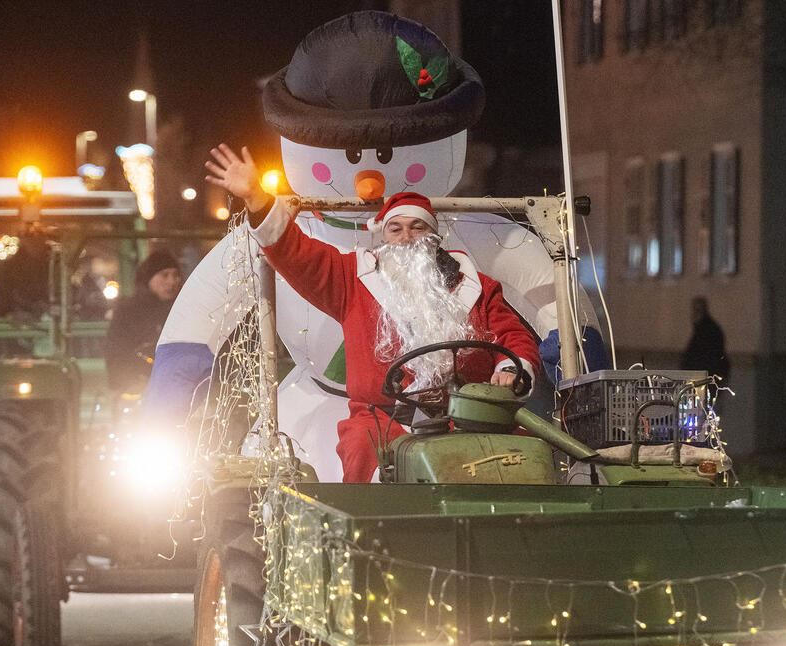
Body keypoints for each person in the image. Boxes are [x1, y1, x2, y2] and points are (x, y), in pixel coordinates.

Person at [207, 144, 541, 482]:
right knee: (365, 451)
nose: (407, 238)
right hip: (384, 419)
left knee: (521, 457)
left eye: (417, 228)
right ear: (382, 238)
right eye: (396, 229)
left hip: (469, 417)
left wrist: (508, 368)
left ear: (435, 236)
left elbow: (514, 337)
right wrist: (257, 197)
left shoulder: (477, 286)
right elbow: (298, 254)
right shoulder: (354, 279)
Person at [105, 251, 182, 394]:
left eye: (176, 275)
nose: (172, 281)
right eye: (164, 275)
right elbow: (116, 354)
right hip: (138, 390)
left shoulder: (185, 310)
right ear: (149, 278)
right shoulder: (128, 311)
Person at [680, 297, 730, 382]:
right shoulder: (707, 328)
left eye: (697, 310)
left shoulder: (707, 330)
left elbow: (703, 354)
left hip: (708, 373)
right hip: (710, 373)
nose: (694, 314)